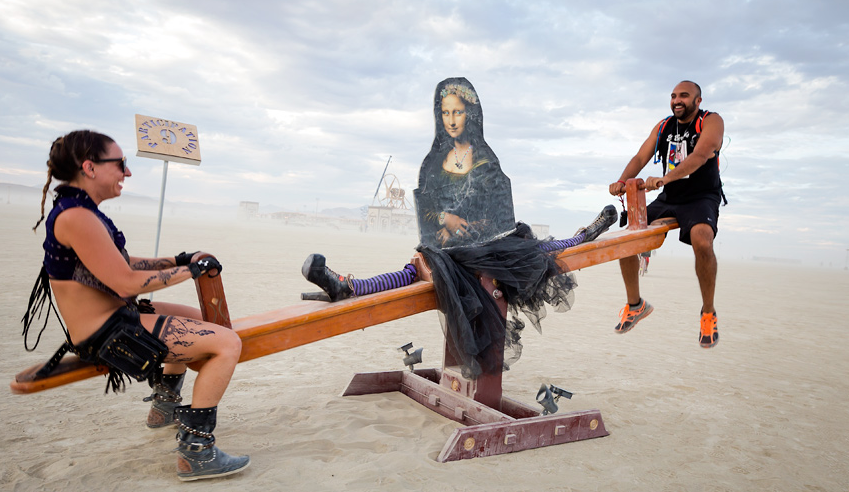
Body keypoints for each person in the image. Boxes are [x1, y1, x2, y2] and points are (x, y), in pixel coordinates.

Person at [302, 77, 617, 378]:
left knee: (538, 251)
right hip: (447, 246)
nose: (452, 120)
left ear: (471, 115)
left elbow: (498, 212)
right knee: (418, 267)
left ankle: (585, 235)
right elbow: (428, 210)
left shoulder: (485, 159)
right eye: (446, 113)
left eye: (458, 112)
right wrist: (445, 220)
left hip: (488, 243)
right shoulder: (434, 161)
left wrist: (465, 225)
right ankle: (349, 287)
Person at [22, 129, 250, 481]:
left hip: (116, 316)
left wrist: (178, 259)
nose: (127, 172)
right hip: (106, 331)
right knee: (227, 343)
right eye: (121, 163)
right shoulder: (76, 217)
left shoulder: (79, 211)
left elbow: (122, 263)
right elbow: (125, 282)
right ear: (90, 167)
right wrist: (190, 271)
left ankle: (165, 404)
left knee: (209, 325)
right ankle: (197, 451)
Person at [608, 80, 725, 348]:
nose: (677, 100)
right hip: (670, 197)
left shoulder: (711, 121)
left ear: (698, 101)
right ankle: (635, 305)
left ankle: (708, 313)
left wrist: (666, 178)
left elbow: (701, 154)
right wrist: (622, 181)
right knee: (626, 239)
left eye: (684, 95)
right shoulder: (663, 126)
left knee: (702, 240)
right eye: (673, 96)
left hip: (701, 197)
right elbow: (640, 158)